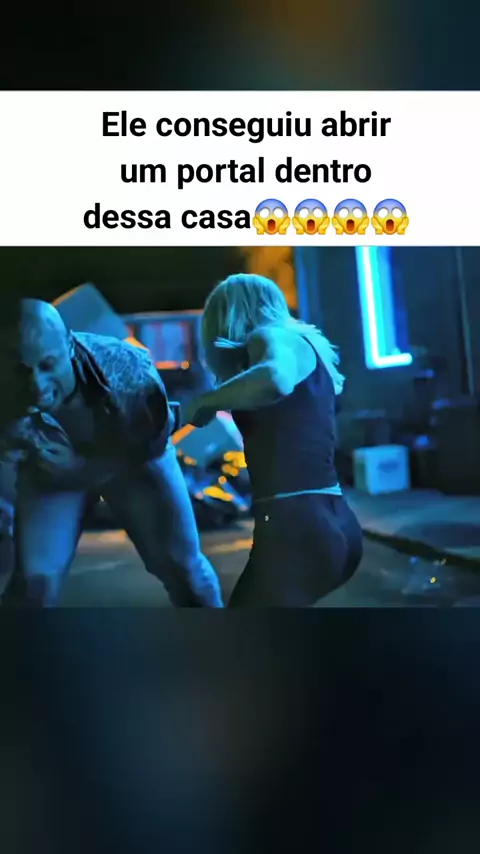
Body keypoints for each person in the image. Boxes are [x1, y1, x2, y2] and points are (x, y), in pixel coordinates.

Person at [0, 298, 223, 608]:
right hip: (54, 473)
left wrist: (79, 467)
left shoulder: (129, 375)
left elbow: (147, 447)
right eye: (21, 370)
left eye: (48, 366)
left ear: (70, 347)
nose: (37, 385)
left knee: (184, 570)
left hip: (135, 461)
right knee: (36, 582)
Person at [185, 274, 363, 607]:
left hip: (296, 529)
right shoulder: (305, 346)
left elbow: (275, 379)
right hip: (331, 518)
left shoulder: (269, 336)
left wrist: (204, 402)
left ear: (229, 315)